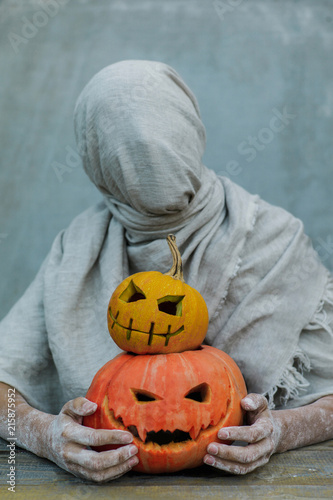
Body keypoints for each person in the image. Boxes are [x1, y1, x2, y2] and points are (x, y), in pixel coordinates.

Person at [0, 60, 332, 482]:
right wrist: (45, 436)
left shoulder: (274, 239)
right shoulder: (77, 250)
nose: (149, 164)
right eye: (126, 154)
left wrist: (281, 431)